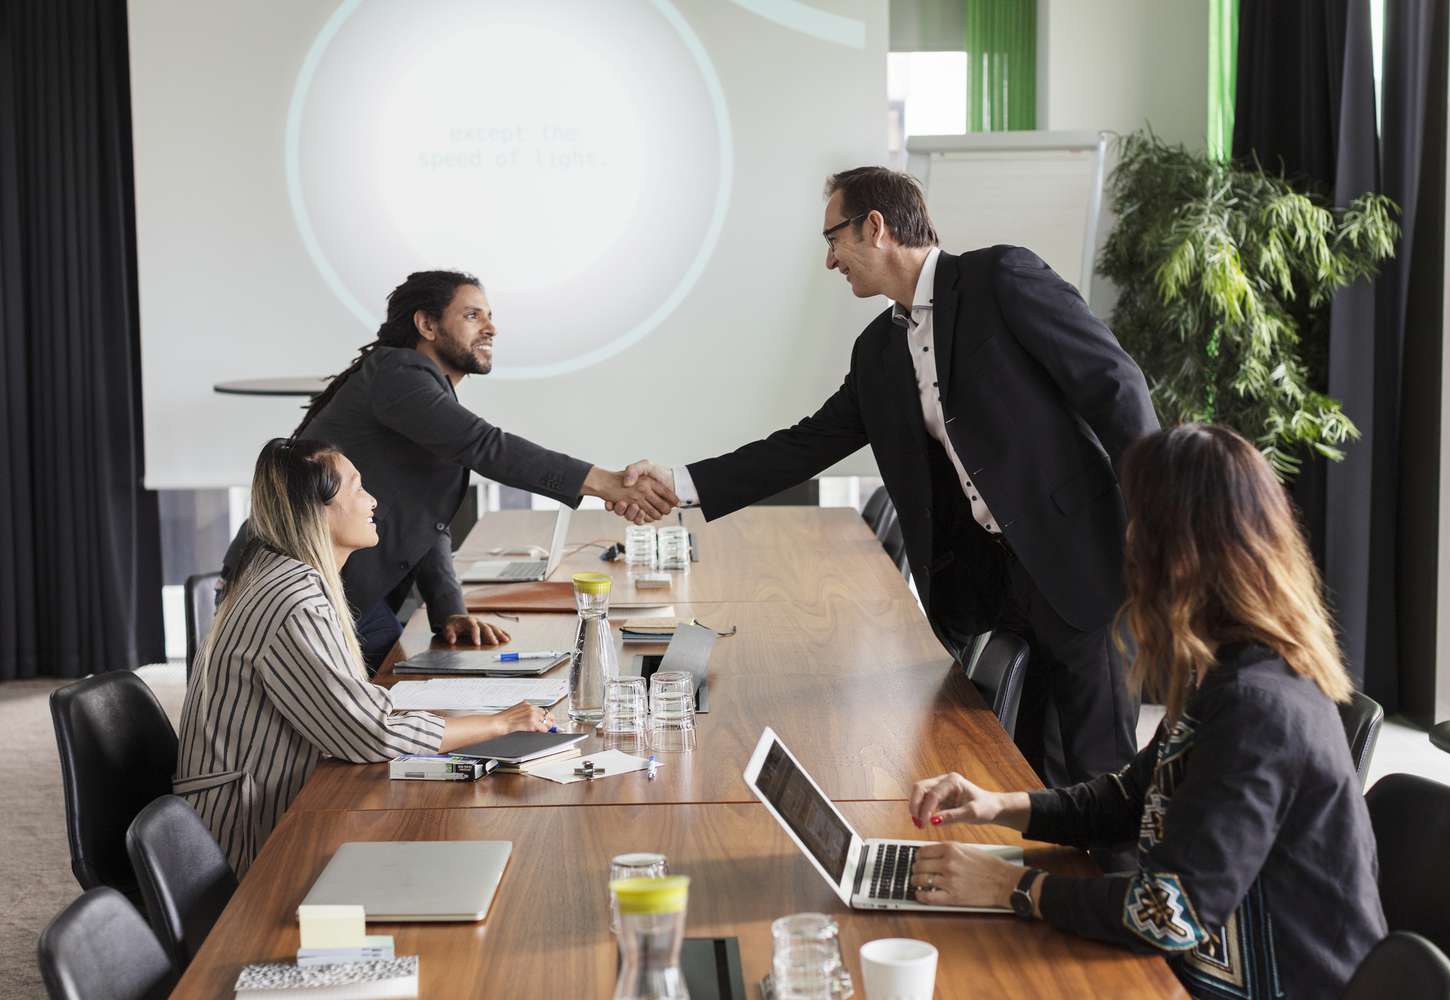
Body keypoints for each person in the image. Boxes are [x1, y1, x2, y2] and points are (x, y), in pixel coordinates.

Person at [620, 167, 1158, 787]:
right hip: (1003, 589)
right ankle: (1040, 885)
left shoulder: (1001, 278)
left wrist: (1155, 519)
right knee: (1026, 772)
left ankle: (1116, 885)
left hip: (1083, 567)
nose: (828, 261)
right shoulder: (878, 351)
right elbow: (805, 445)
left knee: (1101, 771)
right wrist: (680, 483)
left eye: (833, 238)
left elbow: (1114, 386)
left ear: (875, 227)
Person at [905, 424, 1387, 998]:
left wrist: (1011, 885)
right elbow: (1131, 800)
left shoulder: (1257, 707)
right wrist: (999, 804)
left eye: (1140, 524)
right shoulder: (1230, 668)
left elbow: (1170, 914)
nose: (1127, 539)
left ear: (1178, 553)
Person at [224, 270, 678, 670]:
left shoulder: (416, 384)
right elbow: (485, 445)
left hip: (349, 586)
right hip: (298, 585)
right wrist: (605, 482)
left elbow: (427, 514)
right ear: (426, 324)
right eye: (473, 315)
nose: (491, 327)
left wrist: (449, 611)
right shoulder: (397, 375)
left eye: (489, 315)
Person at [180, 438, 553, 876]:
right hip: (244, 838)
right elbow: (370, 734)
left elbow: (350, 707)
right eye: (357, 488)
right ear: (316, 508)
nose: (373, 501)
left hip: (261, 803)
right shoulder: (293, 600)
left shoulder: (283, 572)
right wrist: (500, 723)